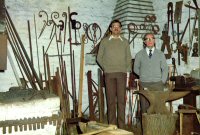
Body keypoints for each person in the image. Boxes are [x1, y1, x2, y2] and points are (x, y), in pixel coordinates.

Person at [97, 19, 132, 129]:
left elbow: (128, 58)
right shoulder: (105, 41)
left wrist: (126, 69)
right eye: (114, 26)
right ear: (111, 29)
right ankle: (112, 126)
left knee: (121, 101)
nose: (116, 28)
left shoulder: (125, 42)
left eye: (118, 26)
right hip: (109, 74)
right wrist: (106, 68)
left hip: (121, 74)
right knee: (111, 101)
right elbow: (99, 58)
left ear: (120, 29)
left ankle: (121, 127)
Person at [134, 33, 168, 113]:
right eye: (147, 39)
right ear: (144, 42)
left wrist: (162, 81)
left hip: (158, 84)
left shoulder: (160, 54)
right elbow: (135, 68)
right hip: (144, 83)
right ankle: (145, 125)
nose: (149, 40)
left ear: (154, 40)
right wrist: (143, 76)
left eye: (151, 38)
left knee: (158, 107)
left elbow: (165, 69)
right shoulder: (139, 54)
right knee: (145, 108)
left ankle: (157, 125)